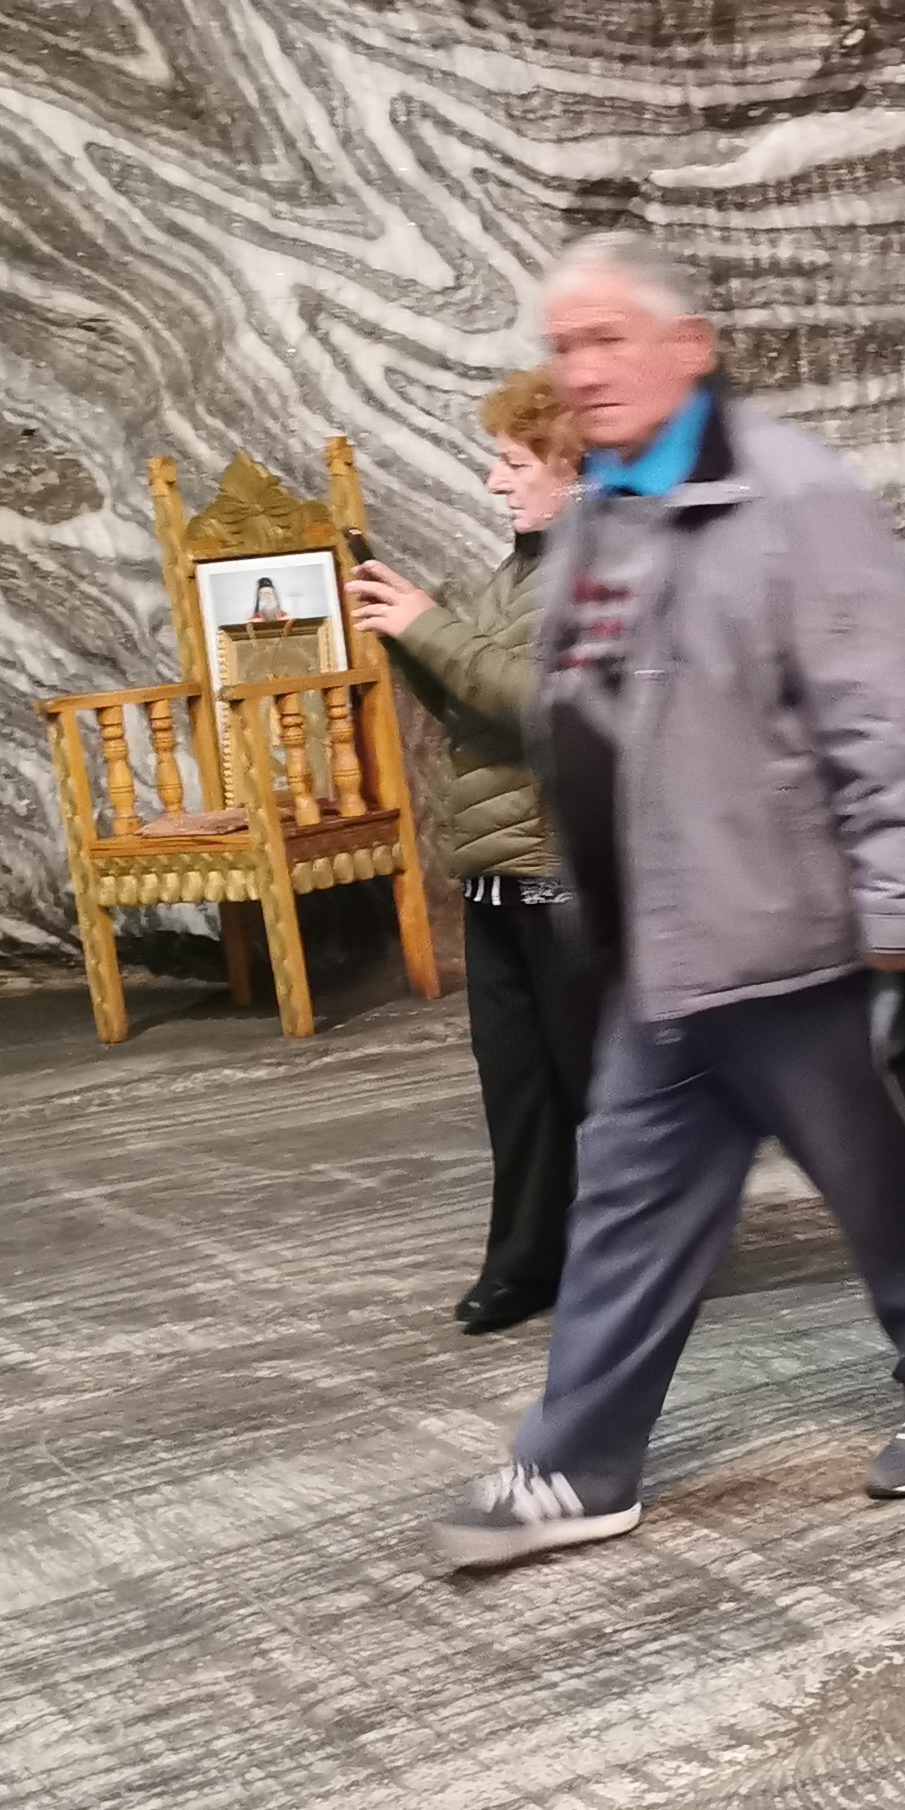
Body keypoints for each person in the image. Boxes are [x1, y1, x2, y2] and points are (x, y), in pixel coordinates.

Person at [434, 232, 905, 1570]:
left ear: (688, 348)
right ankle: (577, 1467)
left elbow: (894, 716)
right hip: (665, 949)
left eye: (606, 339)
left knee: (889, 1184)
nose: (579, 369)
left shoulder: (794, 497)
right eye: (563, 346)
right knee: (625, 1210)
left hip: (804, 941)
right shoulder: (603, 511)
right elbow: (585, 710)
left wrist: (903, 918)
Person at [350, 371, 601, 1334]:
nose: (495, 481)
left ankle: (638, 1260)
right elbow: (471, 700)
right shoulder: (514, 573)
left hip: (567, 877)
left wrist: (430, 624)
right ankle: (526, 1262)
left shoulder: (604, 573)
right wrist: (403, 633)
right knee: (519, 1087)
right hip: (498, 875)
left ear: (576, 470)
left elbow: (542, 703)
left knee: (599, 1091)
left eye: (513, 463)